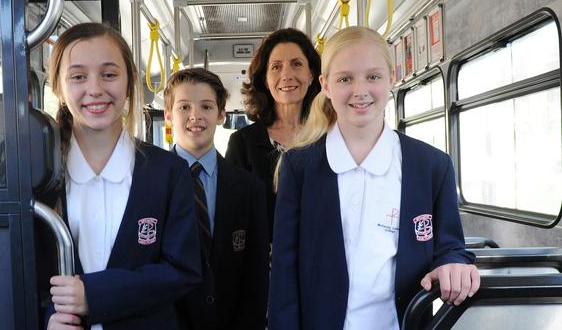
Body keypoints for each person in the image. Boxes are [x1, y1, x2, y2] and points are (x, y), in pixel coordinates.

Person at [268, 26, 480, 330]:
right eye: (345, 79)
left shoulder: (431, 166)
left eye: (373, 76)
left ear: (391, 79)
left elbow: (449, 245)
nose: (360, 90)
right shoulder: (300, 167)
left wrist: (454, 264)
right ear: (325, 85)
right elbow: (284, 274)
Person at [43, 22, 201, 330]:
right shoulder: (41, 178)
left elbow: (183, 270)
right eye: (78, 77)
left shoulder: (168, 172)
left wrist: (94, 294)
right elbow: (25, 271)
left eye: (109, 74)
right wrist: (48, 317)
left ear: (129, 82)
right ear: (59, 88)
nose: (95, 89)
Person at [164, 68, 269, 330]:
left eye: (206, 106)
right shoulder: (147, 183)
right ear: (168, 115)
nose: (195, 116)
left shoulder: (249, 188)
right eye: (184, 107)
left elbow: (256, 279)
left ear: (221, 115)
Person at [225, 28, 321, 240]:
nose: (286, 75)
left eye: (297, 64)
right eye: (276, 67)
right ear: (265, 80)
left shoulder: (328, 137)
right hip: (262, 263)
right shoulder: (243, 143)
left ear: (312, 74)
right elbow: (233, 216)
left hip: (319, 259)